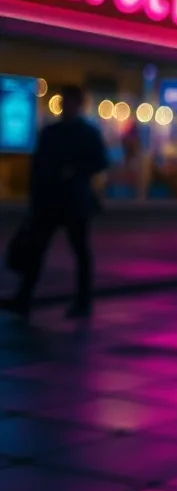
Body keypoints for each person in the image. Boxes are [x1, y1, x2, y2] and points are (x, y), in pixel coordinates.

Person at [4, 85, 109, 319]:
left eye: (68, 102)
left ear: (77, 105)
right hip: (54, 201)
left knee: (77, 251)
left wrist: (75, 171)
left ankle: (79, 302)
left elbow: (100, 161)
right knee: (39, 249)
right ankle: (25, 298)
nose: (65, 106)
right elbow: (39, 167)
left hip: (71, 201)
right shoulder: (57, 132)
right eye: (64, 102)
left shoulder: (80, 133)